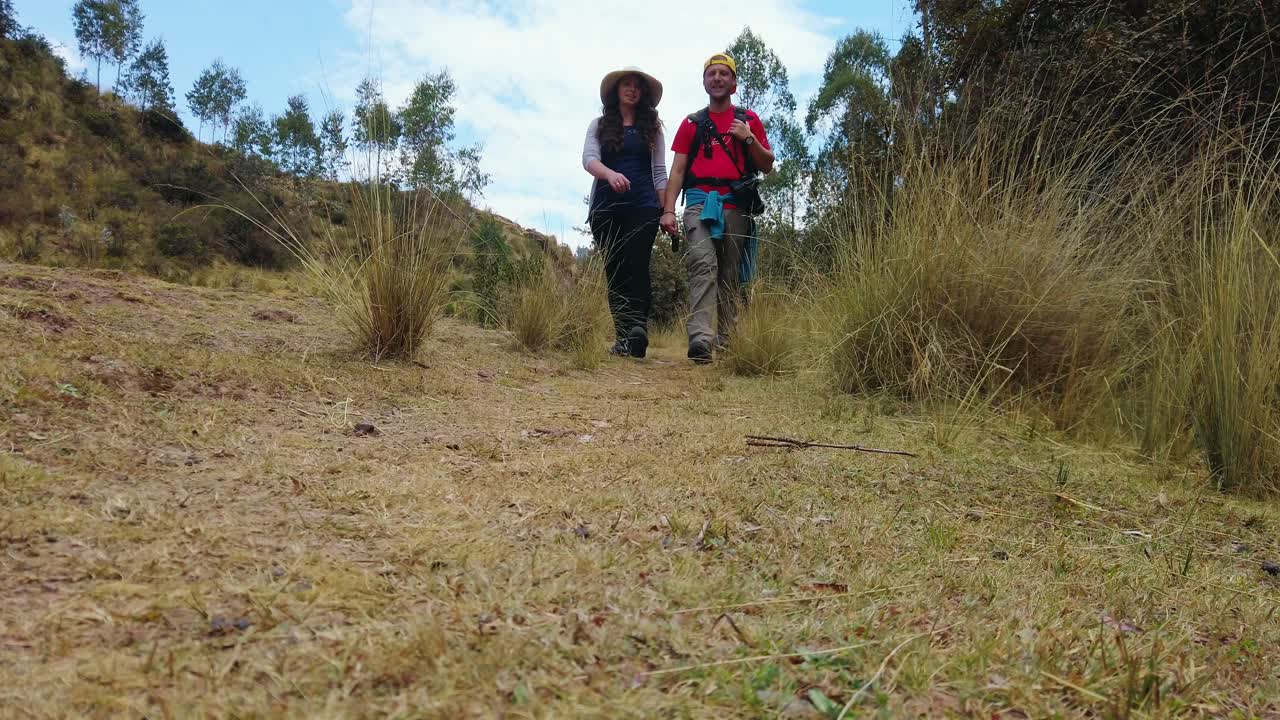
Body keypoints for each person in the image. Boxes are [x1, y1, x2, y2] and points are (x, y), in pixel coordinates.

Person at [660, 52, 774, 364]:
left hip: (736, 205)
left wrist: (749, 139)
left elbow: (767, 165)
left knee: (730, 273)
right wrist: (668, 210)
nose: (718, 78)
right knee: (703, 263)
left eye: (725, 74)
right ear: (704, 82)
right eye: (712, 74)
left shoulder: (748, 121)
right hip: (699, 203)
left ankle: (727, 340)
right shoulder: (691, 123)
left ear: (734, 83)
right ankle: (700, 339)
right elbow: (678, 172)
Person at [582, 66, 668, 358]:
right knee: (615, 268)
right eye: (626, 84)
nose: (632, 89)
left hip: (644, 206)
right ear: (616, 91)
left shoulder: (653, 128)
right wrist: (609, 174)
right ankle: (624, 337)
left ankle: (637, 329)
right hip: (606, 208)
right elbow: (589, 159)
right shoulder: (599, 125)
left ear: (642, 93)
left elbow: (659, 172)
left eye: (637, 86)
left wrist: (667, 210)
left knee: (637, 263)